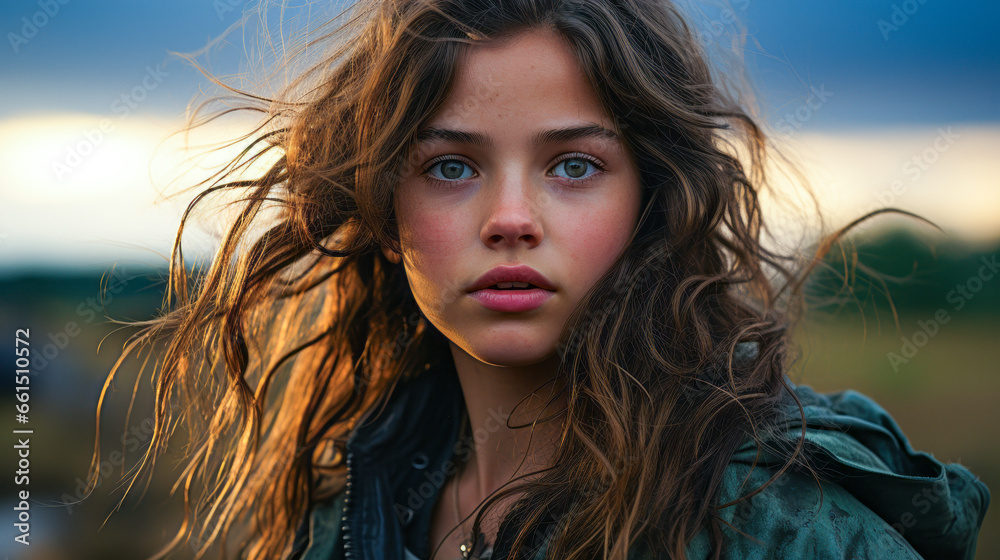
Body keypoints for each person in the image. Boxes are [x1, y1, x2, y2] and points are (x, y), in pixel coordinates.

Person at [91, 1, 989, 559]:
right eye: (450, 167)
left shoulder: (780, 527)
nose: (510, 218)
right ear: (379, 206)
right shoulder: (346, 510)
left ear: (653, 198)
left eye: (573, 166)